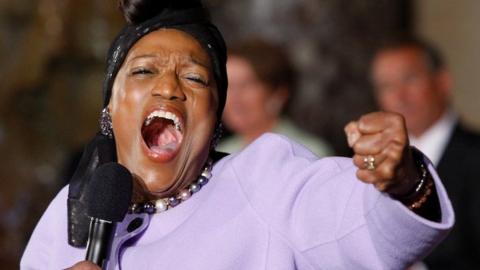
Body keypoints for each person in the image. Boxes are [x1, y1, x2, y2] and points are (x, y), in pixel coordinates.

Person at [21, 1, 454, 269]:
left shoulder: (265, 180)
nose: (169, 88)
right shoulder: (69, 214)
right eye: (143, 71)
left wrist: (402, 181)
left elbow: (360, 228)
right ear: (111, 109)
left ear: (214, 121)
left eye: (194, 78)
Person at [370, 36, 480, 269]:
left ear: (442, 82)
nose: (399, 96)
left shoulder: (474, 156)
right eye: (386, 86)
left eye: (410, 79)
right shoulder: (366, 162)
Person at [218, 38, 332, 156]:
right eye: (228, 86)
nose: (234, 98)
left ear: (278, 93)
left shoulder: (309, 152)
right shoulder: (221, 154)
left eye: (246, 85)